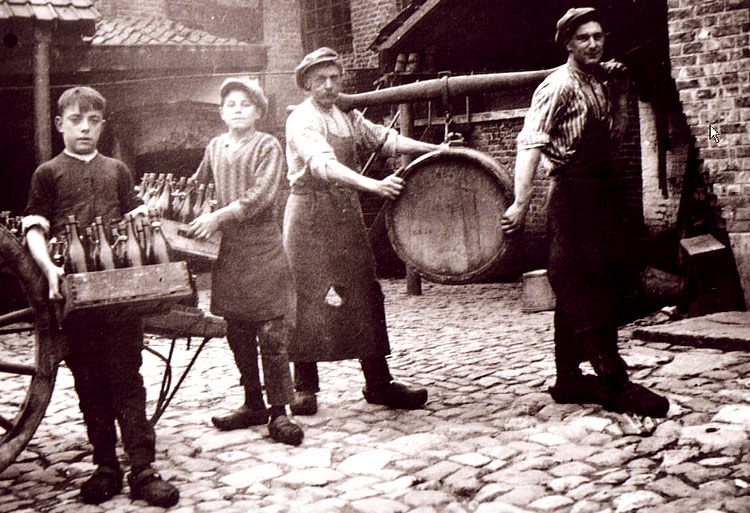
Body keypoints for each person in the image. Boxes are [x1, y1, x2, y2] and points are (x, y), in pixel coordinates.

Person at [501, 8, 669, 418]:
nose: (593, 44)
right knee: (582, 285)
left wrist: (620, 80)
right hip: (572, 198)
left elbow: (617, 128)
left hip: (601, 196)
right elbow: (530, 145)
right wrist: (521, 203)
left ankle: (568, 378)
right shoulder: (556, 86)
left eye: (597, 36)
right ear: (568, 44)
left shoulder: (601, 81)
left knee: (593, 284)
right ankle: (614, 382)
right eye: (583, 39)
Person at [23, 87, 180, 507]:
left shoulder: (117, 171)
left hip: (120, 298)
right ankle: (106, 466)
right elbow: (35, 231)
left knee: (127, 377)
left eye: (93, 121)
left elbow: (138, 221)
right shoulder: (47, 174)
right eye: (76, 120)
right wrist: (50, 269)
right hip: (74, 298)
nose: (85, 129)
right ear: (60, 125)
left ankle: (144, 470)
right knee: (89, 382)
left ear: (103, 125)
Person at [284, 47, 440, 415]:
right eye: (320, 79)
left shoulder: (346, 114)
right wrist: (371, 186)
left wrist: (432, 148)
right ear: (307, 83)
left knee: (366, 292)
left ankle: (379, 383)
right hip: (308, 213)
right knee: (306, 294)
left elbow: (386, 140)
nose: (328, 86)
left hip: (345, 213)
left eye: (334, 78)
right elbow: (323, 165)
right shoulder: (301, 120)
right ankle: (303, 388)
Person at [187, 78, 303, 446]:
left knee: (270, 333)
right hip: (230, 255)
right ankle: (252, 402)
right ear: (221, 112)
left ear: (258, 111)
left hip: (264, 250)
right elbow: (197, 185)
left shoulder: (267, 146)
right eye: (230, 104)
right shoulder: (215, 147)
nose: (237, 109)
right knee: (237, 332)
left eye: (245, 104)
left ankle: (280, 412)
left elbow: (260, 196)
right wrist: (161, 201)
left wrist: (217, 217)